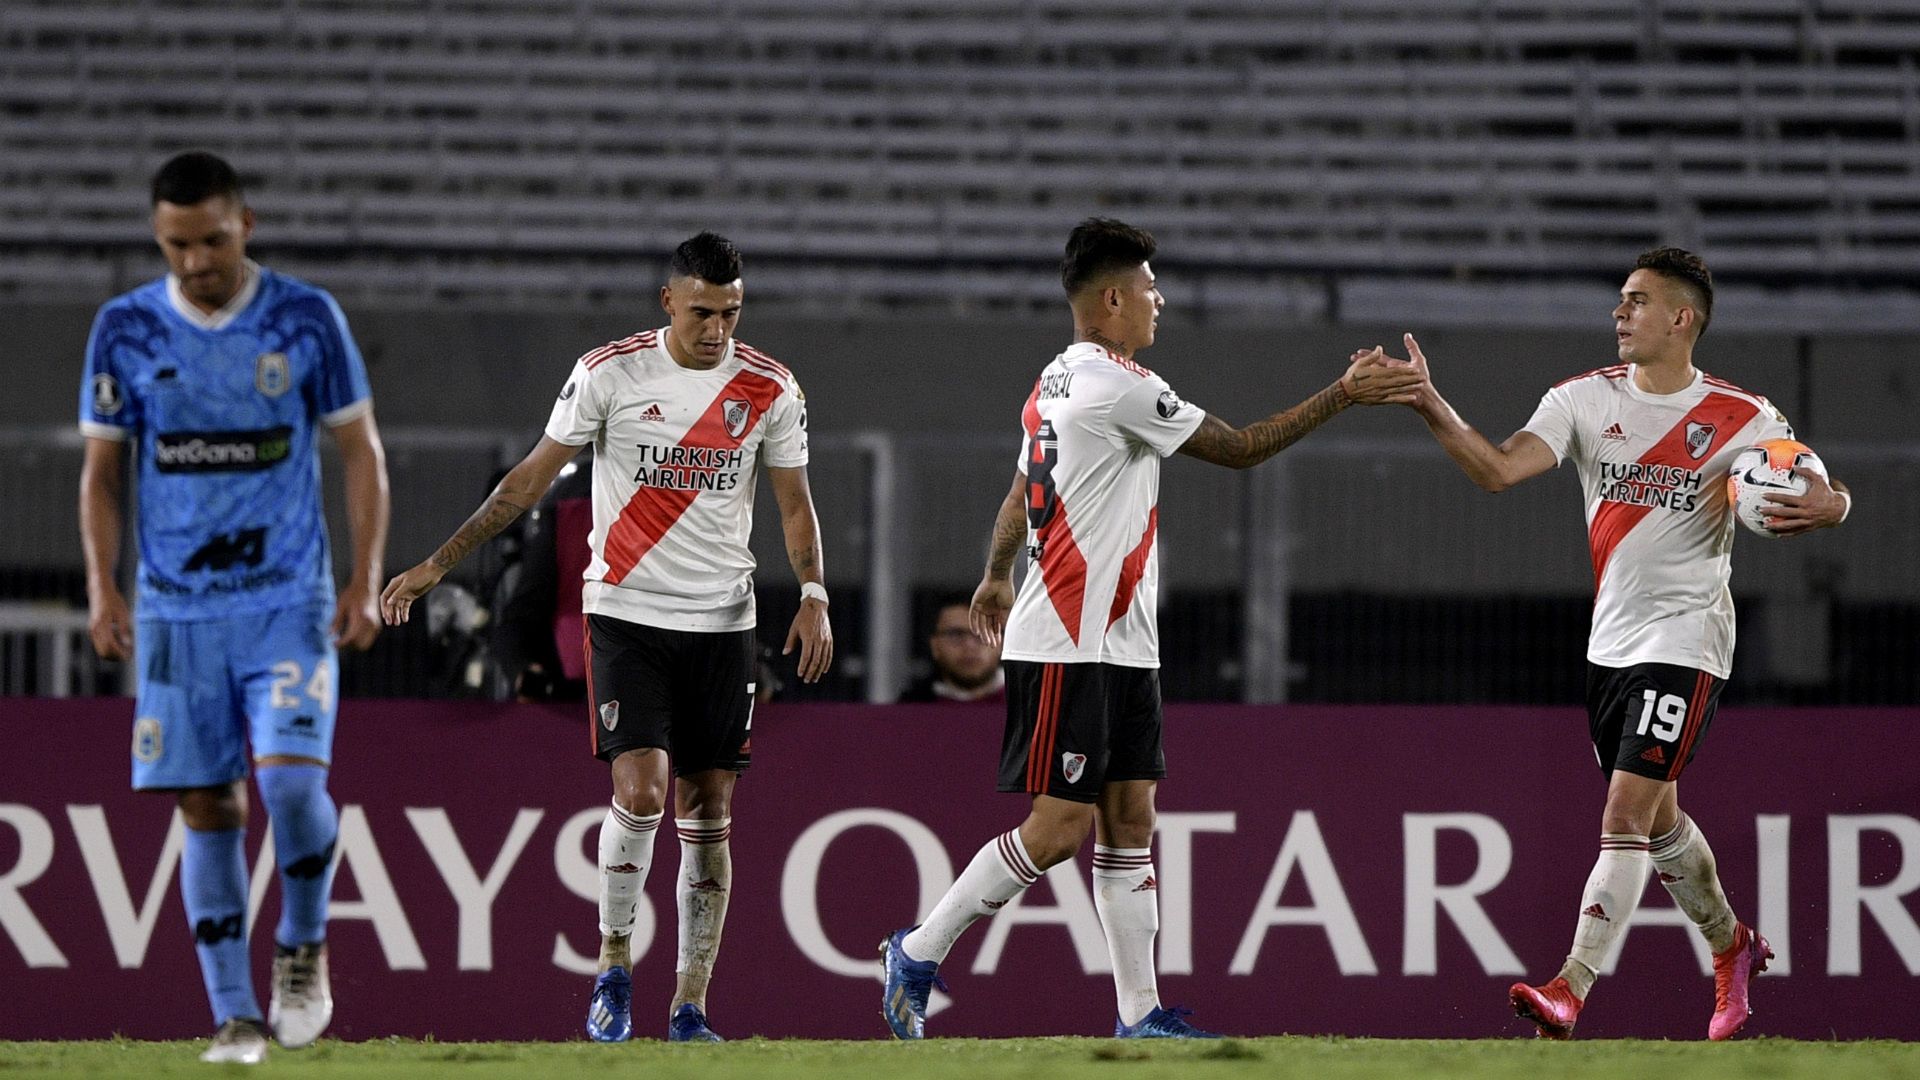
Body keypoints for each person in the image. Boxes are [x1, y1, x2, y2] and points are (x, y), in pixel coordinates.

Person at [879, 218, 1421, 1040]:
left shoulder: (1054, 378)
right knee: (1058, 831)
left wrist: (995, 572)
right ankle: (918, 950)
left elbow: (1023, 486)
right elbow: (1241, 448)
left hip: (1123, 642)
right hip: (1069, 641)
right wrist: (1342, 393)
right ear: (1111, 299)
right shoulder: (1117, 385)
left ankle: (1140, 1015)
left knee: (1131, 820)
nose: (1158, 299)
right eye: (1148, 287)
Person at [1385, 247, 1851, 1039]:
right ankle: (1732, 945)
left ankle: (1570, 987)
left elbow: (1816, 484)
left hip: (1688, 639)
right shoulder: (1582, 399)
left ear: (1682, 318)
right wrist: (1430, 402)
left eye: (1637, 300)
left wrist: (1833, 506)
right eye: (1621, 299)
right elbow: (1497, 470)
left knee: (1625, 811)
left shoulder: (1743, 416)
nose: (1619, 312)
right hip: (1611, 644)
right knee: (1660, 822)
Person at [380, 232, 831, 1044]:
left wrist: (814, 594)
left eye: (730, 314)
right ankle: (614, 968)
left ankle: (690, 1005)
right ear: (668, 302)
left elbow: (795, 503)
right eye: (701, 312)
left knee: (709, 809)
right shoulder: (609, 374)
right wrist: (437, 564)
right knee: (642, 793)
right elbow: (527, 480)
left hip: (723, 623)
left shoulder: (769, 386)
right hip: (626, 615)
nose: (716, 330)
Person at [78, 151, 390, 1064]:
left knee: (290, 785)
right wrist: (103, 585)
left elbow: (361, 450)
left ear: (245, 225)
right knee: (208, 804)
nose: (194, 261)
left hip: (286, 600)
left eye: (211, 241)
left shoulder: (305, 319)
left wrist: (364, 577)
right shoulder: (125, 329)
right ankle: (235, 1016)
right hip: (176, 614)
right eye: (176, 245)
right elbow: (101, 474)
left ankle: (302, 944)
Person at [898, 599, 1005, 704]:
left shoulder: (1015, 698)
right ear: (935, 646)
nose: (969, 646)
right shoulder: (909, 707)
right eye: (955, 634)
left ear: (1001, 643)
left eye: (982, 633)